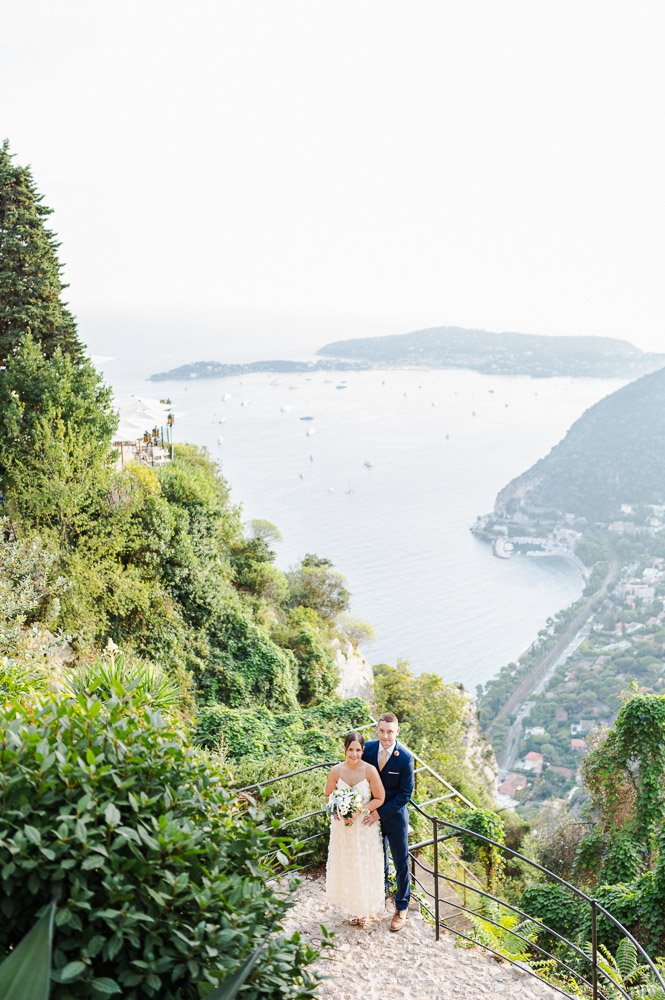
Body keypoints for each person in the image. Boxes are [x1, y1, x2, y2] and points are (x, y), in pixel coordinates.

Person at [324, 731, 386, 926]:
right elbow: (328, 796)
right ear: (345, 749)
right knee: (348, 865)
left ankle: (364, 909)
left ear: (363, 750)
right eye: (350, 749)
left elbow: (379, 798)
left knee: (363, 865)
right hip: (343, 829)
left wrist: (359, 811)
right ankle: (351, 908)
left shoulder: (369, 771)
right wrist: (336, 809)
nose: (354, 754)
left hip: (363, 828)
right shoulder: (335, 771)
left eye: (358, 750)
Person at [362, 712, 414, 932]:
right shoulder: (368, 749)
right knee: (378, 856)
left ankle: (402, 907)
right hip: (371, 817)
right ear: (377, 729)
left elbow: (406, 794)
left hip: (395, 818)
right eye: (382, 731)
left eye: (390, 732)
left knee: (401, 863)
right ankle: (379, 895)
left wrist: (380, 812)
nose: (385, 736)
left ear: (397, 732)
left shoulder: (405, 757)